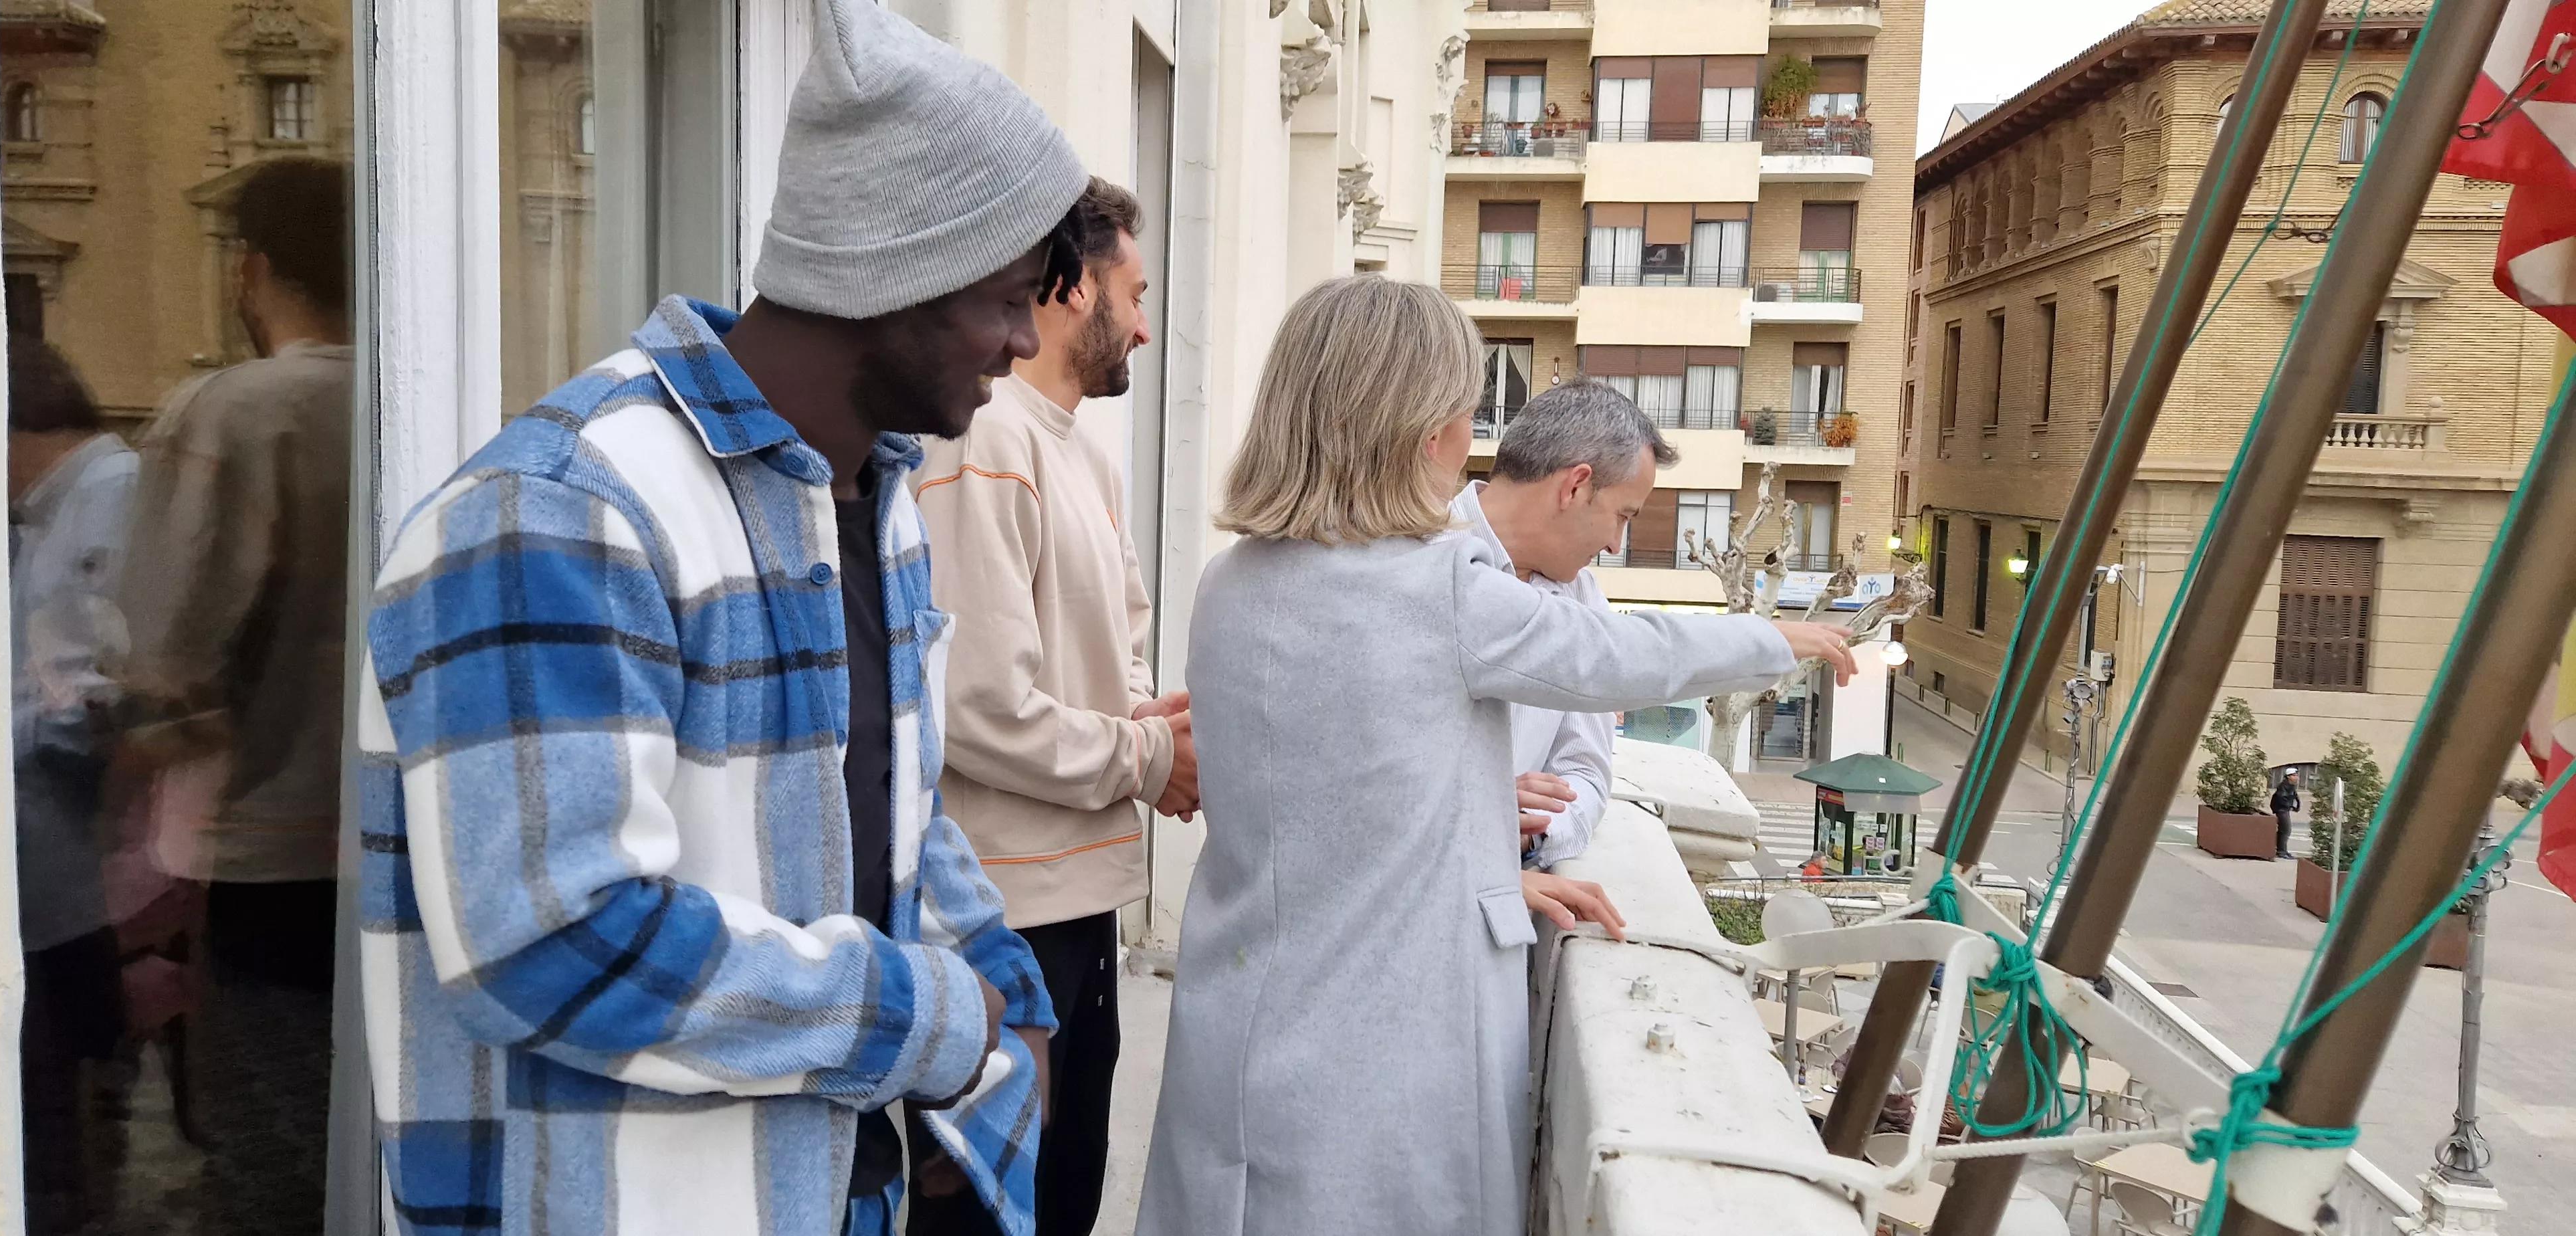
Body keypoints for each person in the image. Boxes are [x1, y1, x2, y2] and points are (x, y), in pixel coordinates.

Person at [356, 0, 1081, 1230]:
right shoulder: (562, 511)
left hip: (828, 1187)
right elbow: (556, 943)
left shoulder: (878, 496)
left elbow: (897, 802)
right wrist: (938, 1024)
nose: (1025, 340)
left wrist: (1015, 1008)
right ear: (892, 265)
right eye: (1009, 296)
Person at [1137, 276, 1858, 1236]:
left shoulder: (1230, 584)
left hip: (1237, 1025)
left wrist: (1480, 863)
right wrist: (1775, 640)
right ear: (1421, 426)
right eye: (1463, 409)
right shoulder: (1436, 588)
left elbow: (1338, 809)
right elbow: (1609, 656)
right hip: (1376, 1058)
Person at [907, 176, 1184, 1236]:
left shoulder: (1081, 453)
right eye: (1136, 290)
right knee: (990, 1212)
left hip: (1080, 898)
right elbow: (975, 706)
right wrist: (1152, 757)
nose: (1147, 325)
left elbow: (1107, 667)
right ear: (1071, 288)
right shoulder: (982, 441)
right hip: (1002, 921)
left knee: (1062, 1196)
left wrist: (1157, 733)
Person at [110, 154, 356, 1231]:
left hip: (274, 849)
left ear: (250, 270)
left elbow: (164, 647)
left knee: (270, 1150)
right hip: (423, 839)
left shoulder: (238, 411)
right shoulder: (447, 390)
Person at [7, 335, 139, 1234]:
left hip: (76, 835)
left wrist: (0, 744)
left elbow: (100, 681)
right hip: (52, 839)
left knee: (69, 1052)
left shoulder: (111, 496)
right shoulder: (56, 509)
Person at [1450, 380, 1670, 906]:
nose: (1617, 544)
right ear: (1575, 487)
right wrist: (1481, 816)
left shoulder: (1581, 596)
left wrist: (1532, 831)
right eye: (1623, 515)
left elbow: (1586, 772)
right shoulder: (1411, 557)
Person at [2273, 768, 2303, 859]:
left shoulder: (2291, 786)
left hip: (2285, 810)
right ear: (2288, 777)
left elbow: (2295, 797)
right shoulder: (2283, 786)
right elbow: (2282, 799)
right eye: (2294, 775)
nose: (2296, 778)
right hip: (2282, 810)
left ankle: (2283, 850)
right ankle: (2281, 851)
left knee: (2286, 830)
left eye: (2297, 775)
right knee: (2285, 830)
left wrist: (2296, 806)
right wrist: (2290, 806)